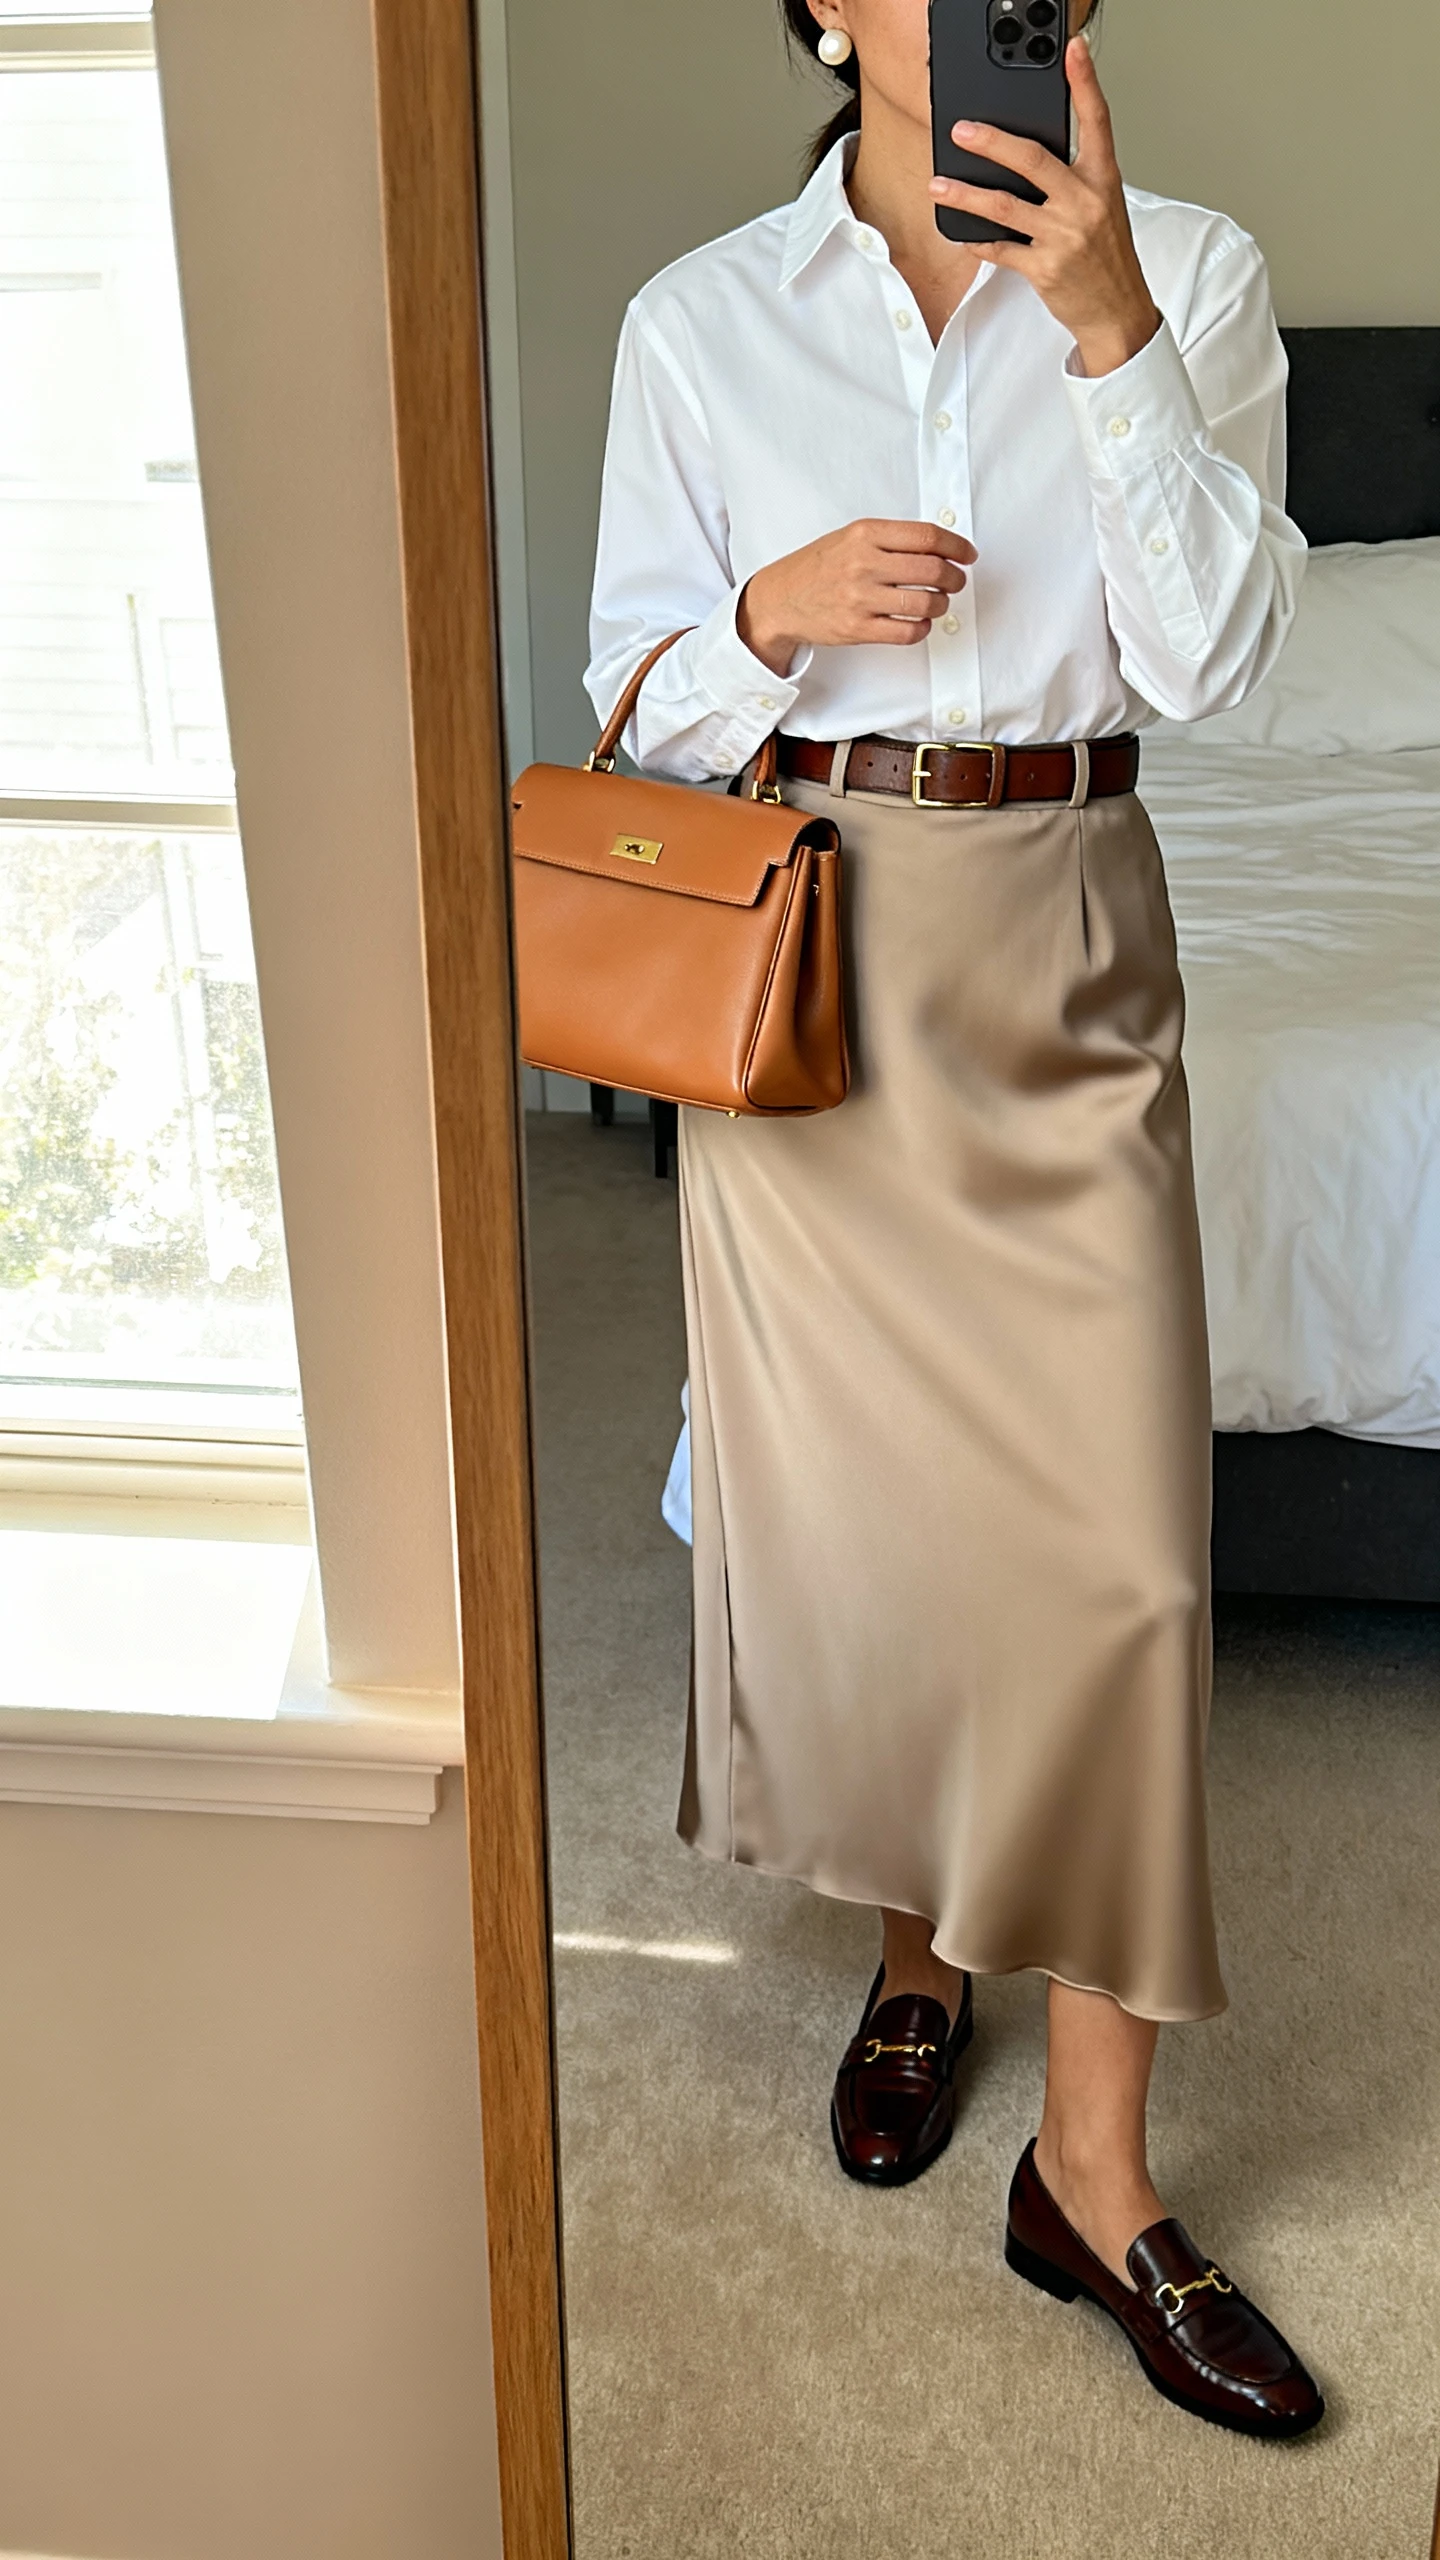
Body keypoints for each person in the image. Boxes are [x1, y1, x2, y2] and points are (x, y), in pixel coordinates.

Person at [586, 0, 1322, 2437]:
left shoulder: (1192, 273)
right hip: (817, 963)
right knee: (884, 1538)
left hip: (1068, 929)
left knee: (1115, 1562)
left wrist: (1107, 332)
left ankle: (1091, 2176)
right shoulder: (701, 320)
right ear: (817, 6)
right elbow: (626, 701)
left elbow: (1218, 657)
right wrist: (769, 615)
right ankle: (926, 1958)